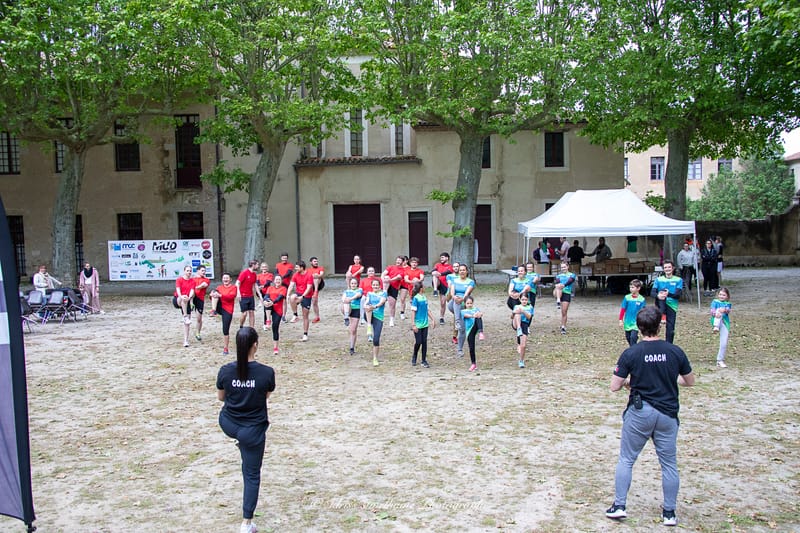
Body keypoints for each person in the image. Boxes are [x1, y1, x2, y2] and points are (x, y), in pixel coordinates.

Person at [605, 305, 695, 527]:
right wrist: (667, 379)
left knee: (627, 459)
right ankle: (669, 512)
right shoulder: (675, 351)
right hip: (667, 414)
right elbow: (689, 381)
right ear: (660, 325)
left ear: (639, 326)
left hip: (640, 412)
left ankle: (619, 505)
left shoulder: (631, 353)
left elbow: (614, 386)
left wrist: (630, 382)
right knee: (669, 464)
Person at [216, 327, 276, 533]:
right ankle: (246, 523)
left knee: (243, 442)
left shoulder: (225, 371)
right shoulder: (266, 373)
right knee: (251, 475)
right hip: (252, 431)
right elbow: (266, 396)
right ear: (255, 345)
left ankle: (239, 438)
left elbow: (221, 397)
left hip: (228, 423)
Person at [651, 260, 683, 344]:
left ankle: (669, 345)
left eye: (669, 267)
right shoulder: (658, 280)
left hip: (672, 306)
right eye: (665, 267)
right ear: (663, 269)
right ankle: (653, 343)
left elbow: (678, 295)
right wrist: (658, 295)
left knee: (670, 329)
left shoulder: (678, 280)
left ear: (673, 268)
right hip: (660, 304)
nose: (667, 269)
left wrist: (668, 294)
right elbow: (652, 293)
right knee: (654, 327)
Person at [448, 264, 476, 358]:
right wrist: (454, 296)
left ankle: (459, 349)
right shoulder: (454, 280)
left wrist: (461, 299)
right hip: (453, 303)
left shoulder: (470, 282)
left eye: (464, 270)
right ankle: (457, 321)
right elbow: (452, 291)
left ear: (467, 271)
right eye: (460, 270)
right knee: (456, 303)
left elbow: (467, 293)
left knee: (462, 329)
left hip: (464, 303)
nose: (462, 272)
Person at [210, 273, 238, 356]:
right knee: (214, 293)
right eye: (224, 278)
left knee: (225, 329)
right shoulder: (219, 287)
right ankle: (213, 310)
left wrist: (220, 295)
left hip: (228, 310)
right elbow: (212, 297)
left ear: (230, 280)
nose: (225, 279)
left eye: (227, 278)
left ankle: (226, 347)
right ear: (222, 279)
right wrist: (212, 294)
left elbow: (231, 297)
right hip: (220, 307)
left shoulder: (233, 287)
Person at [409, 282, 435, 368]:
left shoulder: (424, 297)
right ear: (421, 288)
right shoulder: (416, 299)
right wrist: (413, 324)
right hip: (418, 323)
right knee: (418, 341)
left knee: (424, 342)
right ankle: (414, 355)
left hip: (425, 324)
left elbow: (427, 310)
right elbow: (413, 312)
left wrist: (433, 319)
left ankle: (424, 360)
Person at [287, 261, 314, 341]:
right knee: (292, 297)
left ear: (302, 268)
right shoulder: (295, 275)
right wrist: (287, 295)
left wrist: (303, 296)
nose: (295, 269)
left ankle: (305, 334)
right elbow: (291, 285)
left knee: (305, 315)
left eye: (297, 267)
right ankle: (295, 315)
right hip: (298, 293)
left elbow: (309, 288)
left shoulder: (309, 275)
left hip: (307, 295)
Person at [363, 279, 387, 367]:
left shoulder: (383, 293)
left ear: (379, 286)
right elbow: (366, 301)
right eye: (374, 285)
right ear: (372, 286)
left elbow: (382, 301)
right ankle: (369, 326)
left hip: (378, 317)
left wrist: (375, 306)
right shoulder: (369, 294)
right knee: (368, 307)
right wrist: (366, 305)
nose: (375, 286)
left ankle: (375, 358)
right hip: (369, 315)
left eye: (377, 285)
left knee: (376, 339)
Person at [262, 276, 286, 355]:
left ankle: (275, 347)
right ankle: (268, 320)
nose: (278, 281)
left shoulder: (283, 289)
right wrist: (266, 300)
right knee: (267, 302)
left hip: (278, 310)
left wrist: (272, 302)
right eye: (276, 279)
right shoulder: (270, 288)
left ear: (281, 281)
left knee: (275, 327)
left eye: (279, 280)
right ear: (274, 281)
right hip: (270, 306)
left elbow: (280, 297)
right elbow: (266, 296)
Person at [173, 265, 195, 347]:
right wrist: (182, 296)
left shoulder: (192, 281)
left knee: (187, 324)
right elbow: (178, 290)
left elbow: (192, 291)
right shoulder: (179, 280)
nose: (189, 272)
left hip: (186, 301)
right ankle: (185, 316)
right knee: (183, 298)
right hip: (178, 299)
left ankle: (186, 340)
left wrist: (189, 297)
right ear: (184, 271)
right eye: (187, 271)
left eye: (190, 271)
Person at [619, 279, 646, 346]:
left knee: (633, 337)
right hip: (627, 321)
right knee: (628, 337)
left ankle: (633, 349)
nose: (631, 289)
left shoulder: (642, 299)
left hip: (636, 323)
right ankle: (633, 347)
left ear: (638, 288)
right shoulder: (627, 297)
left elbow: (643, 311)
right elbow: (623, 309)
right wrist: (620, 320)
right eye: (630, 287)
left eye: (633, 287)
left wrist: (642, 321)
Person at [460, 296, 483, 372]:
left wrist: (479, 314)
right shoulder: (463, 311)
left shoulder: (476, 309)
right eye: (468, 303)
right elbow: (466, 316)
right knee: (471, 348)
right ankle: (473, 364)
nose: (469, 305)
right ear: (465, 304)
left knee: (478, 317)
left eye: (471, 303)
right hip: (470, 330)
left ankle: (481, 332)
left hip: (476, 326)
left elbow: (480, 313)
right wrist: (473, 315)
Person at [710, 287, 732, 368]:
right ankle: (716, 326)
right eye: (720, 294)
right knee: (718, 310)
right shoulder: (715, 302)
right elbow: (712, 311)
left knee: (724, 342)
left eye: (724, 295)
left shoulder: (728, 303)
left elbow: (728, 310)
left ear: (727, 296)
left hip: (724, 322)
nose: (721, 296)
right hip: (716, 319)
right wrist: (716, 312)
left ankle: (720, 360)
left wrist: (725, 310)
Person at [431, 252, 455, 325]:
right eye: (440, 257)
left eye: (443, 257)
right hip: (439, 283)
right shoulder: (437, 265)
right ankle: (435, 290)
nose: (441, 259)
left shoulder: (450, 266)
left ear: (447, 258)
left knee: (444, 302)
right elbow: (433, 271)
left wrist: (440, 274)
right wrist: (435, 273)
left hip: (446, 285)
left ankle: (444, 317)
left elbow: (448, 272)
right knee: (434, 276)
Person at [553, 262, 577, 335]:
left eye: (564, 267)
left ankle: (563, 326)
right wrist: (561, 285)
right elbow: (557, 282)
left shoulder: (572, 275)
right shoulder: (558, 275)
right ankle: (558, 300)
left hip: (566, 293)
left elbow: (570, 281)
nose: (563, 268)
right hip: (558, 292)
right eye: (562, 267)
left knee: (564, 312)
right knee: (558, 287)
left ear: (568, 267)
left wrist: (564, 285)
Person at [341, 277, 363, 356]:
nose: (353, 285)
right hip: (347, 308)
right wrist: (347, 300)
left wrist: (350, 299)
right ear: (349, 284)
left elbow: (358, 295)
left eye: (355, 283)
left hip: (356, 310)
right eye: (352, 283)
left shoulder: (359, 290)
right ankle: (346, 316)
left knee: (353, 330)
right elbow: (343, 299)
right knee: (346, 302)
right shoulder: (346, 291)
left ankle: (352, 347)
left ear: (357, 284)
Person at [511, 293, 533, 368]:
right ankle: (519, 328)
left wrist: (523, 311)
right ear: (520, 300)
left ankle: (521, 360)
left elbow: (529, 317)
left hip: (524, 324)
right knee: (517, 313)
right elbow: (511, 316)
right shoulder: (517, 306)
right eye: (523, 300)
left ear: (528, 300)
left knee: (523, 345)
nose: (524, 301)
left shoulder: (530, 307)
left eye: (525, 300)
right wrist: (515, 312)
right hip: (516, 323)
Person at [382, 255, 405, 327]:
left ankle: (391, 319)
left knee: (392, 305)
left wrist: (389, 280)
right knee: (386, 276)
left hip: (393, 287)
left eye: (400, 260)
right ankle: (384, 292)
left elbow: (398, 277)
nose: (398, 261)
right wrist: (383, 280)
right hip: (385, 285)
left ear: (403, 262)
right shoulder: (390, 267)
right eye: (397, 260)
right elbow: (383, 273)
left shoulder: (403, 270)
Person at [236, 260, 260, 329]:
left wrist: (259, 295)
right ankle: (241, 326)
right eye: (257, 265)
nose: (258, 266)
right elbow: (237, 283)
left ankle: (252, 328)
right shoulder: (244, 273)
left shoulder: (254, 274)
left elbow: (255, 285)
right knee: (244, 313)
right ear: (253, 265)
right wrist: (238, 293)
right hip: (243, 296)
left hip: (250, 296)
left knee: (252, 312)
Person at [403, 257, 425, 321]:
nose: (414, 264)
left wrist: (416, 281)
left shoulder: (420, 271)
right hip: (411, 291)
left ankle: (420, 319)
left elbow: (422, 278)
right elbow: (406, 280)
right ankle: (415, 321)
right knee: (413, 307)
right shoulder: (407, 271)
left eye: (415, 262)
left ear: (417, 264)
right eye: (413, 262)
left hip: (419, 291)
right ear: (410, 263)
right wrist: (413, 282)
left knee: (420, 306)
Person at [193, 265, 210, 342]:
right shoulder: (193, 279)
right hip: (193, 297)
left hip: (200, 299)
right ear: (198, 271)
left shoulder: (206, 279)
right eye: (202, 270)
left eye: (204, 271)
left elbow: (203, 285)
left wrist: (196, 287)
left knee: (199, 318)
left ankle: (197, 333)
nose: (204, 272)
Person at [256, 262, 275, 331]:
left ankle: (266, 323)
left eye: (265, 267)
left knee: (266, 309)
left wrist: (262, 286)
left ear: (267, 268)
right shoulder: (258, 275)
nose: (264, 268)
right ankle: (260, 300)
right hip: (261, 292)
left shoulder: (270, 275)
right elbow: (257, 282)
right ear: (261, 268)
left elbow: (268, 282)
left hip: (267, 292)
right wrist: (259, 286)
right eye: (263, 267)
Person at [307, 256, 325, 323]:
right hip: (310, 286)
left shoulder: (320, 268)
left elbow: (321, 275)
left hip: (319, 284)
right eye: (314, 261)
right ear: (311, 262)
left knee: (316, 277)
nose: (316, 263)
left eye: (317, 261)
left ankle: (316, 291)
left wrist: (315, 275)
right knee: (314, 302)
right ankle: (317, 317)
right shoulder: (308, 270)